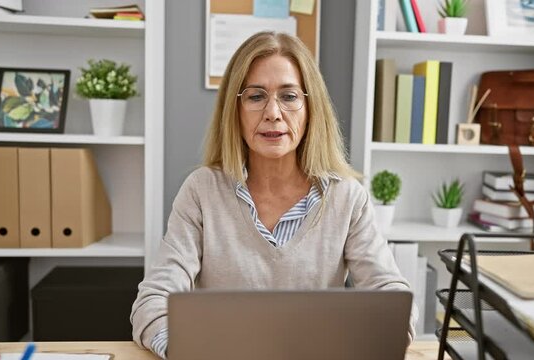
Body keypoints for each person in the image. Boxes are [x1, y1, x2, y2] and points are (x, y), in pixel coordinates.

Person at [130, 31, 414, 359]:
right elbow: (152, 302)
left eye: (289, 96)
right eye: (255, 96)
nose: (273, 113)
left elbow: (392, 300)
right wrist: (188, 351)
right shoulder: (202, 190)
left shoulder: (348, 198)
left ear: (310, 108)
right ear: (234, 110)